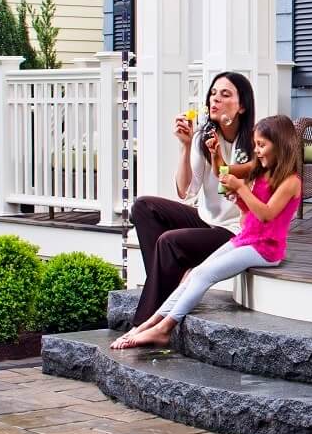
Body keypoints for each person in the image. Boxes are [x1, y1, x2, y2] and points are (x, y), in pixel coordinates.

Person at [111, 114, 302, 350]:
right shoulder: (260, 168)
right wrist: (216, 154)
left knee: (204, 275)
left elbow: (266, 214)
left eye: (262, 145)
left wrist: (241, 188)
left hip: (266, 249)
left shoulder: (291, 182)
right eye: (255, 145)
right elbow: (224, 172)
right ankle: (146, 325)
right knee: (194, 273)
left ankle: (165, 329)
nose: (257, 150)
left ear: (281, 145)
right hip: (247, 238)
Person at [124, 71, 256, 330]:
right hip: (206, 219)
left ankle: (143, 324)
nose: (214, 100)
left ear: (241, 106)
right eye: (213, 94)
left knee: (169, 242)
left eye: (225, 94)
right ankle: (173, 291)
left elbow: (231, 180)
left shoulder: (253, 142)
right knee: (143, 207)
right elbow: (186, 191)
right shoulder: (203, 137)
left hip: (234, 231)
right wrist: (185, 146)